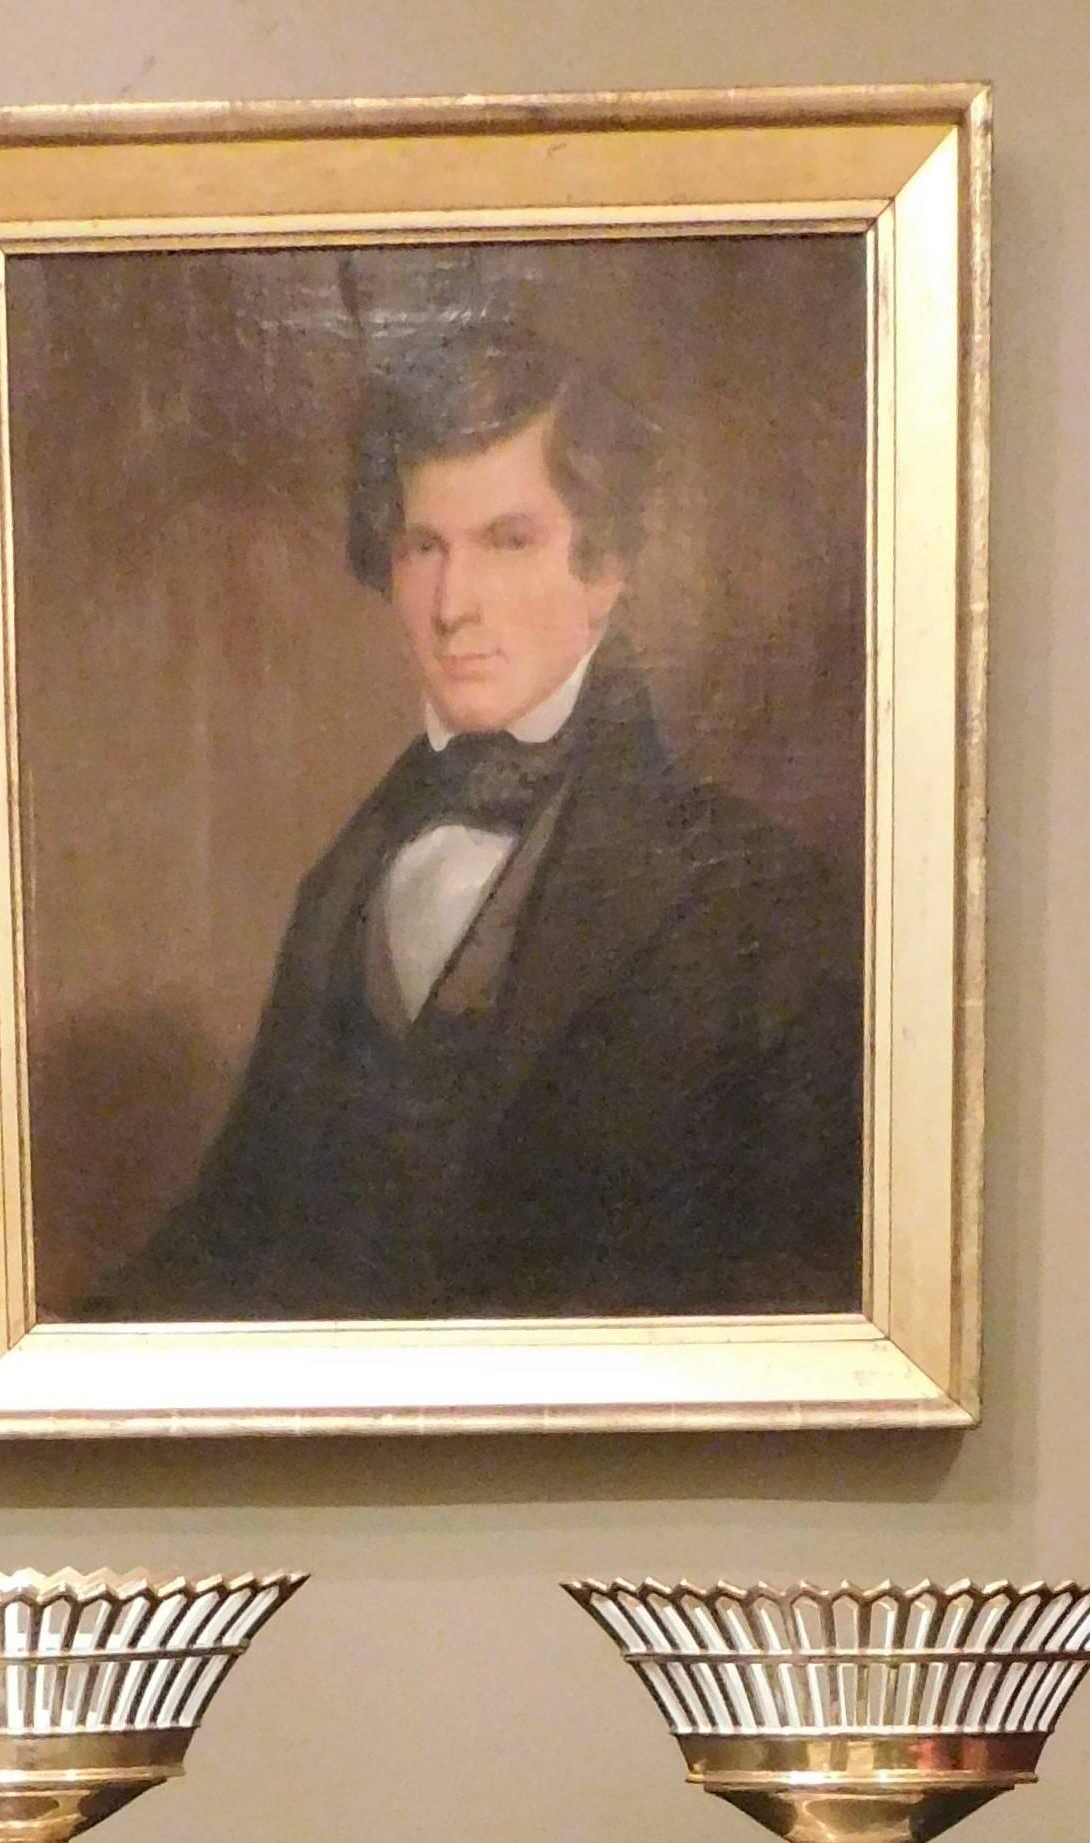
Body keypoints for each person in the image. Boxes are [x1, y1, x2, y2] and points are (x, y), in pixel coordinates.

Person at [89, 319, 861, 1315]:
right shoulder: (340, 888)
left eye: (507, 541)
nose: (454, 603)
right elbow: (233, 1235)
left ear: (607, 569)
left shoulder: (756, 903)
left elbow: (806, 1302)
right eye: (422, 548)